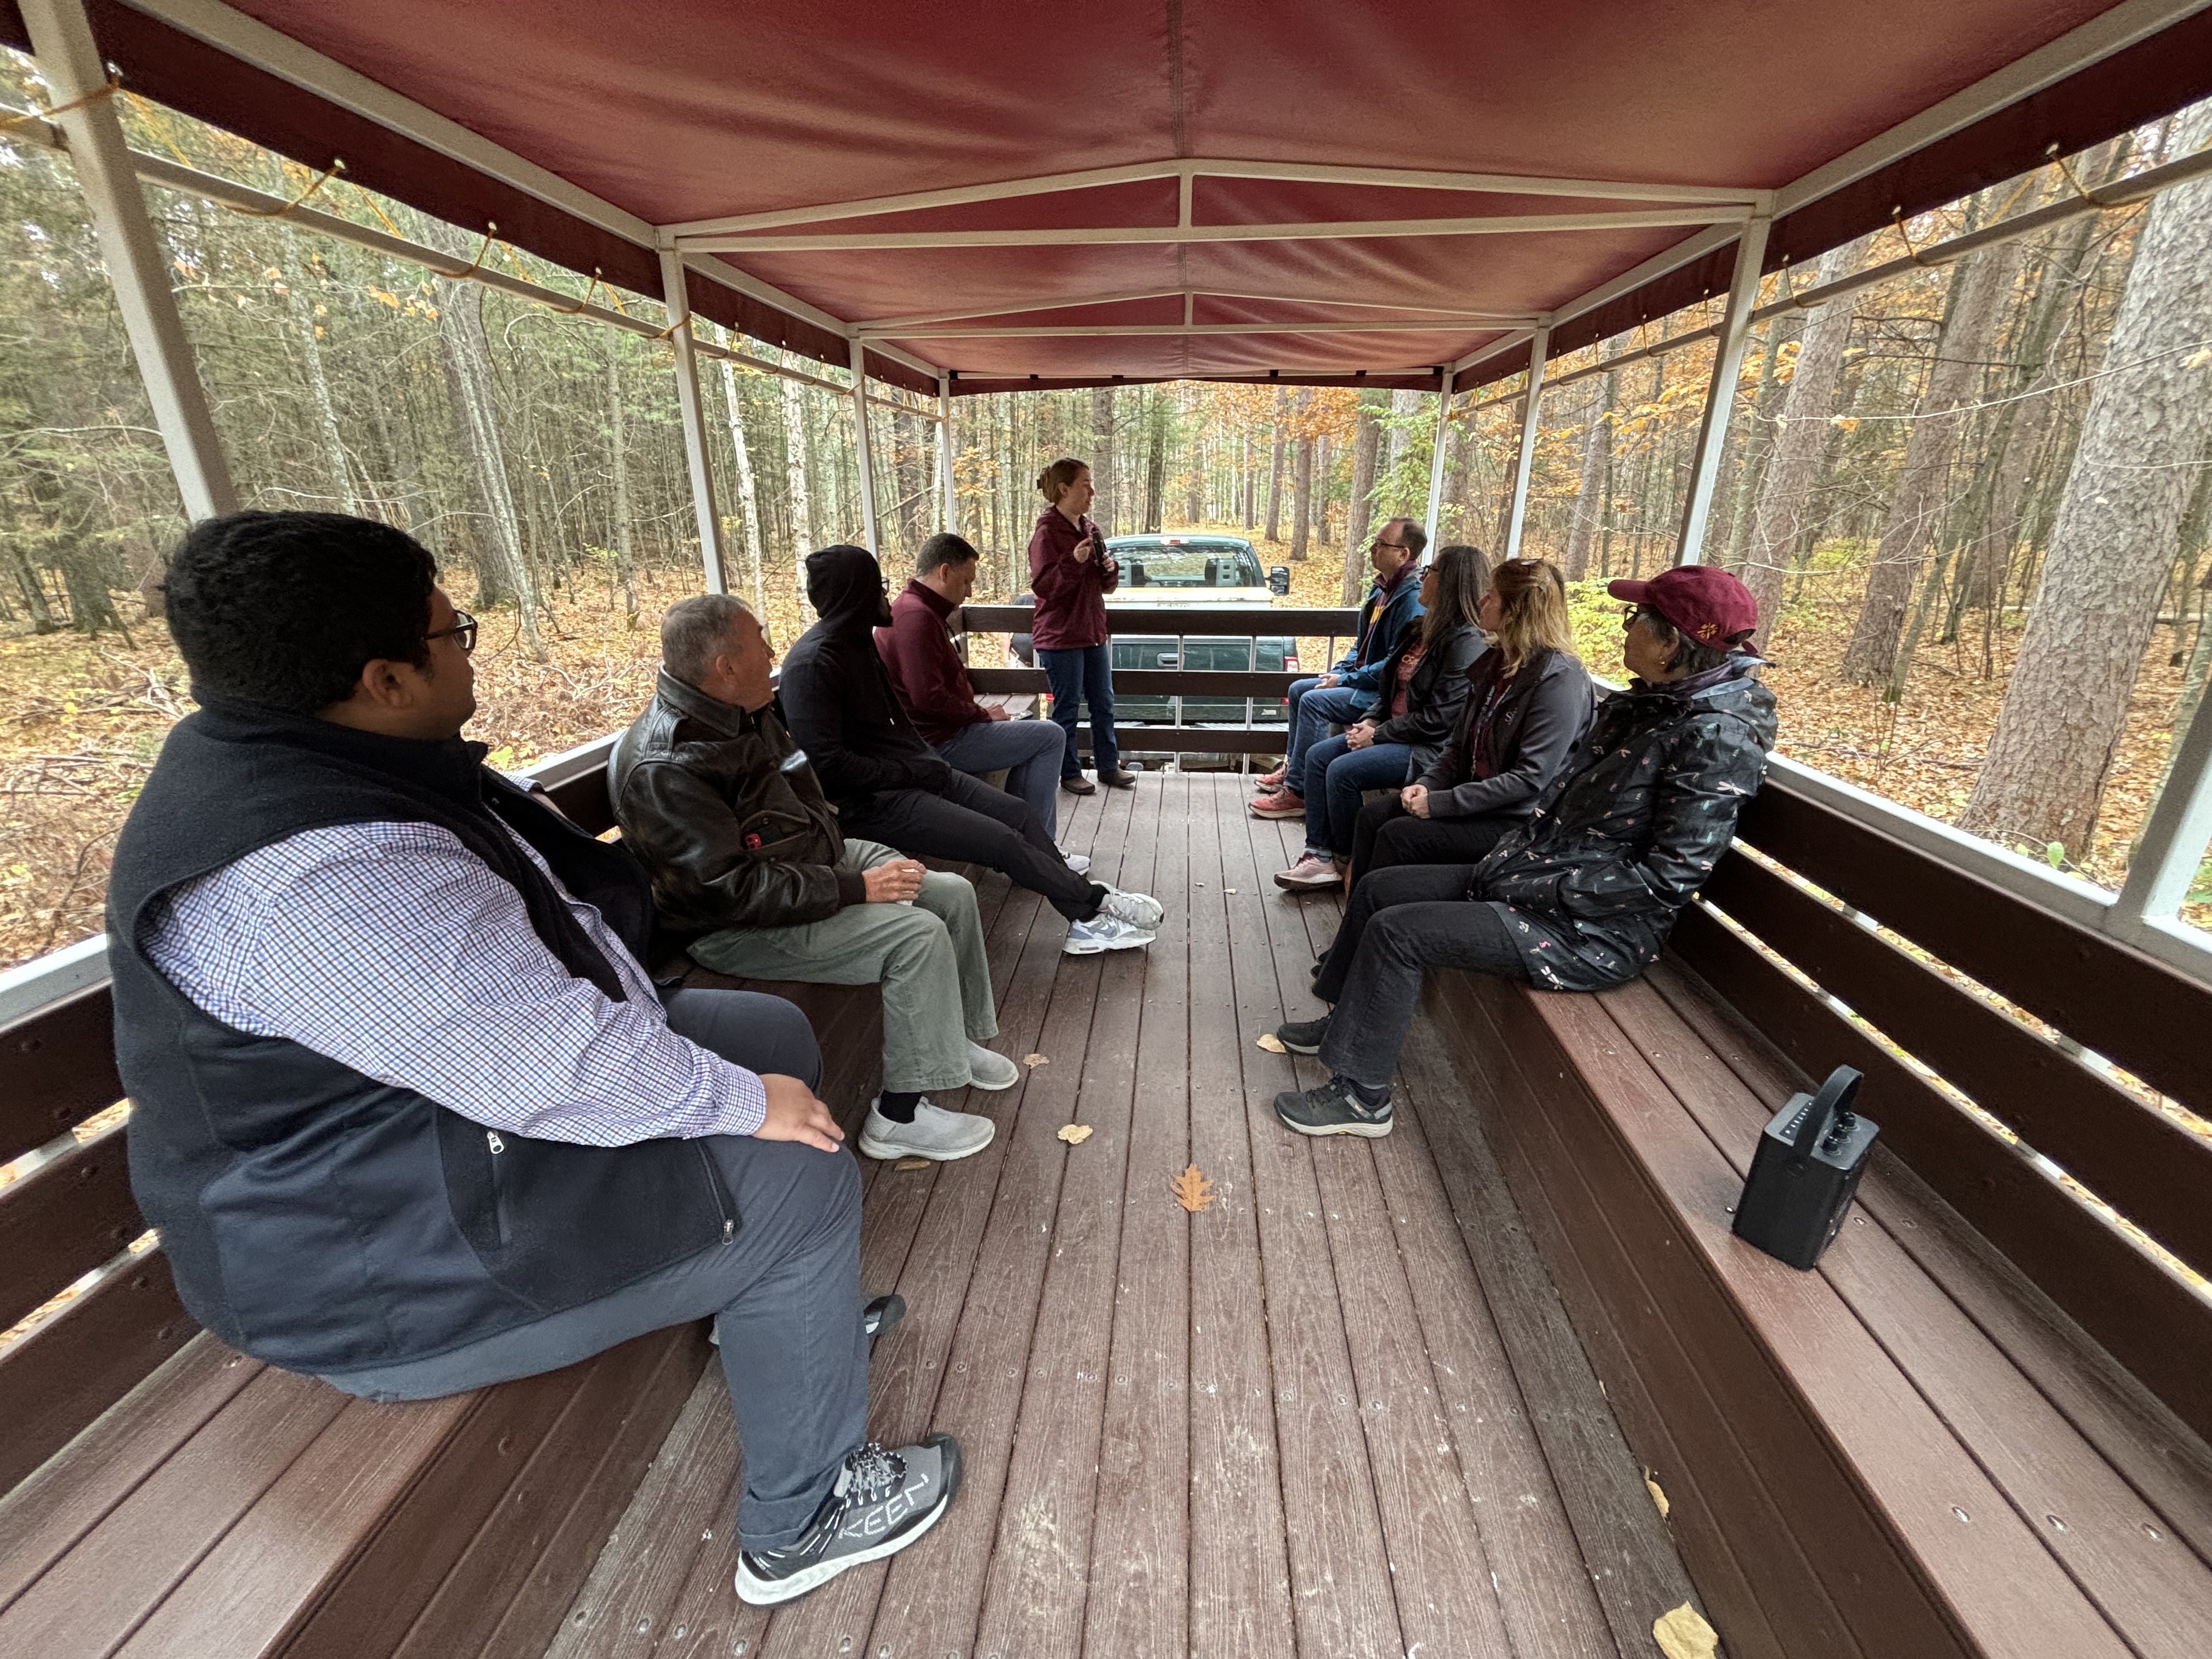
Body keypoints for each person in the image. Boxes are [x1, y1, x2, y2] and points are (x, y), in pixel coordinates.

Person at [108, 511, 958, 1609]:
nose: (472, 642)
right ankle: (806, 1516)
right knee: (798, 1175)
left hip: (429, 1138)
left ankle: (798, 1322)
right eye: (454, 629)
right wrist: (738, 1106)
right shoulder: (313, 872)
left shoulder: (326, 762)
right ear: (385, 677)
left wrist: (733, 1082)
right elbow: (545, 1065)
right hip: (365, 1257)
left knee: (765, 1036)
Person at [1269, 564, 1777, 1138]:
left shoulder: (1716, 736)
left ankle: (1363, 1100)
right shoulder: (1656, 705)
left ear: (1674, 644)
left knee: (1400, 931)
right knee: (1383, 887)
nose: (1625, 628)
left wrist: (1531, 882)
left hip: (1589, 930)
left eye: (1638, 619)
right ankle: (1344, 1022)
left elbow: (1666, 880)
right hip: (1540, 877)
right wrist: (1521, 866)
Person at [614, 593, 1014, 1165]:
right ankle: (898, 1119)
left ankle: (953, 1039)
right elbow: (725, 891)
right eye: (762, 645)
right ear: (725, 666)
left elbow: (798, 796)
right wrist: (856, 888)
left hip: (811, 866)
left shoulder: (739, 711)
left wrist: (851, 865)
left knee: (947, 891)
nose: (775, 654)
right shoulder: (669, 766)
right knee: (915, 936)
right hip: (738, 925)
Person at [778, 543, 1165, 956]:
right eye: (878, 586)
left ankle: (1085, 907)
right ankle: (1092, 909)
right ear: (854, 592)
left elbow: (896, 726)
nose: (885, 595)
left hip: (918, 773)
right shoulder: (813, 665)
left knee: (1017, 813)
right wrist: (914, 772)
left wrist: (927, 767)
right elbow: (827, 768)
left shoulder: (856, 645)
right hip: (872, 803)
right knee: (1001, 841)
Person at [1343, 556, 1593, 882]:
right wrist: (1427, 783)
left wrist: (1442, 803)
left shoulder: (1560, 681)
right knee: (1372, 816)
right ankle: (1361, 911)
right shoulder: (1495, 662)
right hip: (1474, 799)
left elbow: (1530, 779)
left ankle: (1382, 911)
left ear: (1515, 611)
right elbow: (1459, 746)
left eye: (1491, 596)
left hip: (1518, 820)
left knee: (1398, 836)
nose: (1481, 602)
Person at [1273, 543, 1488, 890]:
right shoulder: (1419, 629)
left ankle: (1343, 858)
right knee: (1318, 756)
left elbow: (1440, 719)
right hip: (1393, 731)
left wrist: (1380, 734)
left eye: (1430, 571)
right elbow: (1389, 688)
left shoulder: (1466, 642)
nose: (1422, 576)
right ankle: (1319, 855)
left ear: (1451, 582)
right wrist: (1372, 720)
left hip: (1427, 747)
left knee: (1343, 770)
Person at [876, 532, 1081, 869]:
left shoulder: (913, 608)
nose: (969, 592)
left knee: (1029, 732)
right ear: (944, 572)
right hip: (938, 743)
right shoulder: (917, 618)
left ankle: (1024, 845)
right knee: (1050, 736)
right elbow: (928, 698)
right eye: (966, 581)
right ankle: (1043, 855)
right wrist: (981, 715)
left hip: (937, 733)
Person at [1252, 516, 1427, 816]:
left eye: (1381, 544)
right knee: (1299, 688)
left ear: (1403, 554)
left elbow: (1393, 665)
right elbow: (1360, 646)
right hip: (1361, 681)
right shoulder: (1381, 590)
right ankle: (1294, 768)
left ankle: (1299, 792)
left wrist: (1348, 681)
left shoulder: (1412, 600)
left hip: (1379, 694)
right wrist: (1340, 673)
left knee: (1314, 701)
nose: (1372, 549)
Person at [1028, 457, 1135, 794]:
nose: (1092, 491)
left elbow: (1105, 586)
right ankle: (1069, 772)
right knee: (1067, 707)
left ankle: (1108, 767)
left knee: (1104, 702)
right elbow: (1046, 590)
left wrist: (1109, 569)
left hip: (1091, 631)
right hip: (1060, 637)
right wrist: (1073, 563)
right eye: (1086, 484)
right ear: (1064, 489)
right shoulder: (1046, 533)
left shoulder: (1090, 529)